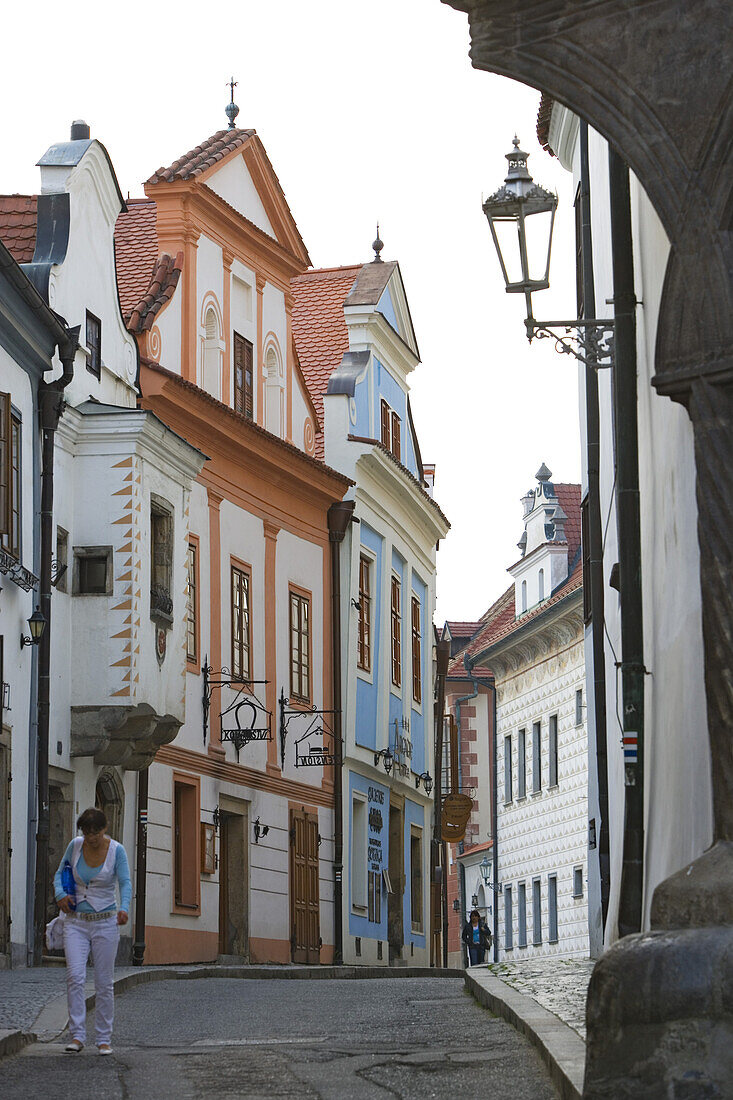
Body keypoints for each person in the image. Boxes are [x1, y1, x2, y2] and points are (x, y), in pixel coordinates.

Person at [53, 806, 132, 1055]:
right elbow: (59, 874)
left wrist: (125, 908)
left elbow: (125, 882)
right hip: (75, 922)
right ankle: (76, 1036)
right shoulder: (75, 846)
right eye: (86, 833)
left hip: (105, 921)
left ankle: (103, 1038)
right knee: (75, 977)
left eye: (95, 832)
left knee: (103, 983)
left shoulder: (117, 851)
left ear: (104, 829)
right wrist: (60, 894)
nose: (91, 838)